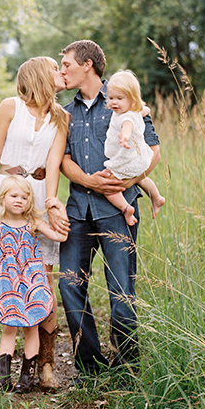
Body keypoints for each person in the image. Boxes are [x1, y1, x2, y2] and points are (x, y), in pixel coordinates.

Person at [46, 40, 161, 377]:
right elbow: (62, 160)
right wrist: (90, 181)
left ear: (88, 65)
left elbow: (153, 151)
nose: (62, 70)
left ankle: (127, 368)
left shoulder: (125, 96)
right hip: (78, 209)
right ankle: (90, 367)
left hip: (117, 210)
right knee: (70, 284)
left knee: (122, 289)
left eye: (66, 64)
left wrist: (127, 180)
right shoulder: (64, 112)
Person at [0, 56, 71, 391]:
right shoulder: (10, 107)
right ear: (40, 74)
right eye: (56, 67)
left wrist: (52, 203)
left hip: (36, 196)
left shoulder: (62, 117)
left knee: (42, 282)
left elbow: (53, 165)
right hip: (5, 193)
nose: (61, 72)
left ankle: (46, 367)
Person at [0, 175, 67, 392]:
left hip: (31, 284)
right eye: (14, 196)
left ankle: (27, 377)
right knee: (9, 329)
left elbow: (60, 237)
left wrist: (59, 210)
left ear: (30, 201)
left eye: (24, 197)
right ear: (3, 197)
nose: (19, 200)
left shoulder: (33, 223)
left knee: (31, 329)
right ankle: (2, 377)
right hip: (8, 286)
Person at [103, 70, 165, 225]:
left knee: (108, 185)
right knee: (142, 179)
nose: (114, 102)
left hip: (128, 157)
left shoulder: (127, 117)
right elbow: (145, 110)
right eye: (111, 98)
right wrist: (144, 110)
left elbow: (127, 126)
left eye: (119, 98)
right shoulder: (134, 110)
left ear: (132, 100)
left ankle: (126, 209)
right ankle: (156, 197)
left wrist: (124, 136)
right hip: (139, 158)